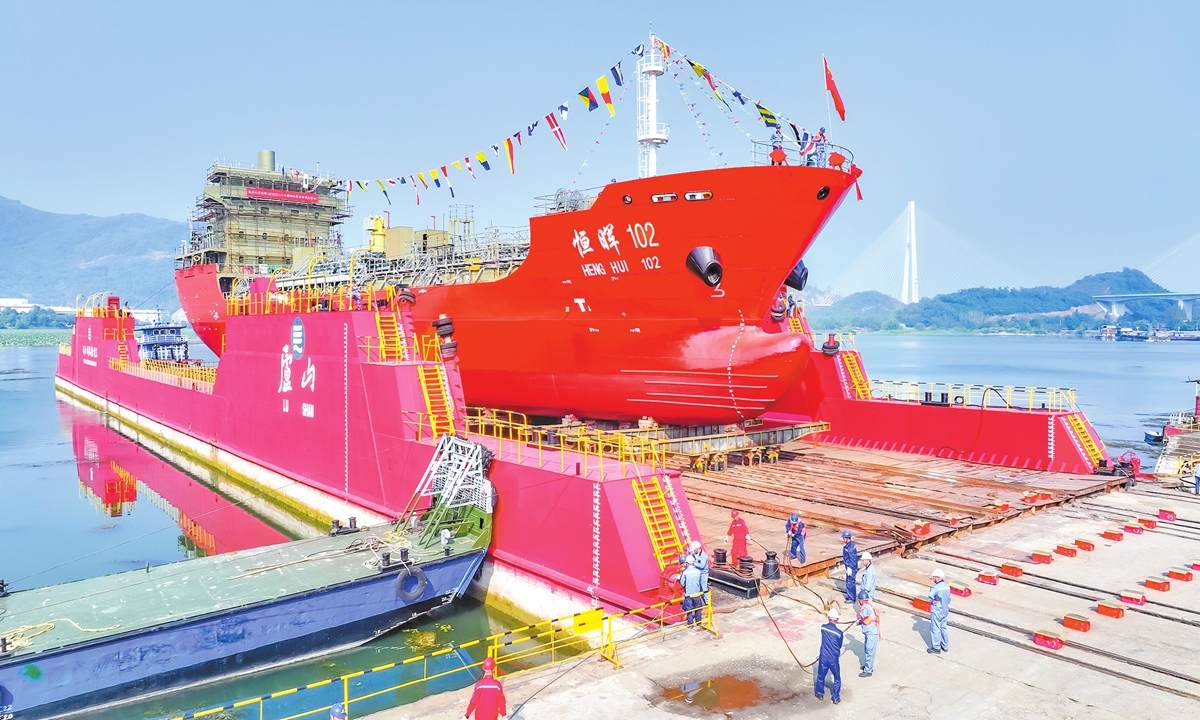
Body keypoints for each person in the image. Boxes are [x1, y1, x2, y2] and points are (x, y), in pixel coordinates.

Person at [813, 607, 844, 704]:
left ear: (828, 618)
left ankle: (820, 693)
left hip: (823, 657)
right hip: (833, 659)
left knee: (821, 676)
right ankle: (835, 697)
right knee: (837, 678)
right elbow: (839, 645)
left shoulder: (823, 628)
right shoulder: (839, 633)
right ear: (837, 619)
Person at [856, 589, 879, 677]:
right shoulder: (867, 606)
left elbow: (867, 620)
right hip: (868, 632)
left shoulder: (867, 608)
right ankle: (867, 666)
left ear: (862, 600)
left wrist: (859, 622)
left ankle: (868, 670)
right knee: (867, 649)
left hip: (871, 633)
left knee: (869, 650)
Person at [928, 568, 951, 654]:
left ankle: (936, 648)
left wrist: (933, 601)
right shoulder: (947, 586)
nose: (933, 579)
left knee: (935, 628)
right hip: (945, 610)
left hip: (937, 610)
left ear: (937, 578)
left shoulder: (936, 587)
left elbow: (930, 597)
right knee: (944, 628)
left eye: (933, 577)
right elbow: (949, 599)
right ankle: (945, 646)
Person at [680, 555, 706, 625]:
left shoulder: (685, 573)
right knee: (698, 609)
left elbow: (682, 583)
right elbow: (700, 582)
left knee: (689, 610)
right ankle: (699, 622)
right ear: (694, 563)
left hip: (689, 594)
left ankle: (690, 623)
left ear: (687, 563)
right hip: (697, 594)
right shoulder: (698, 572)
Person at [841, 531, 859, 603]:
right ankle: (851, 596)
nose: (843, 540)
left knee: (850, 582)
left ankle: (851, 598)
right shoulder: (848, 546)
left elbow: (852, 559)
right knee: (850, 582)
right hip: (850, 567)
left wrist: (850, 568)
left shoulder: (850, 547)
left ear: (847, 538)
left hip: (851, 568)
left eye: (844, 538)